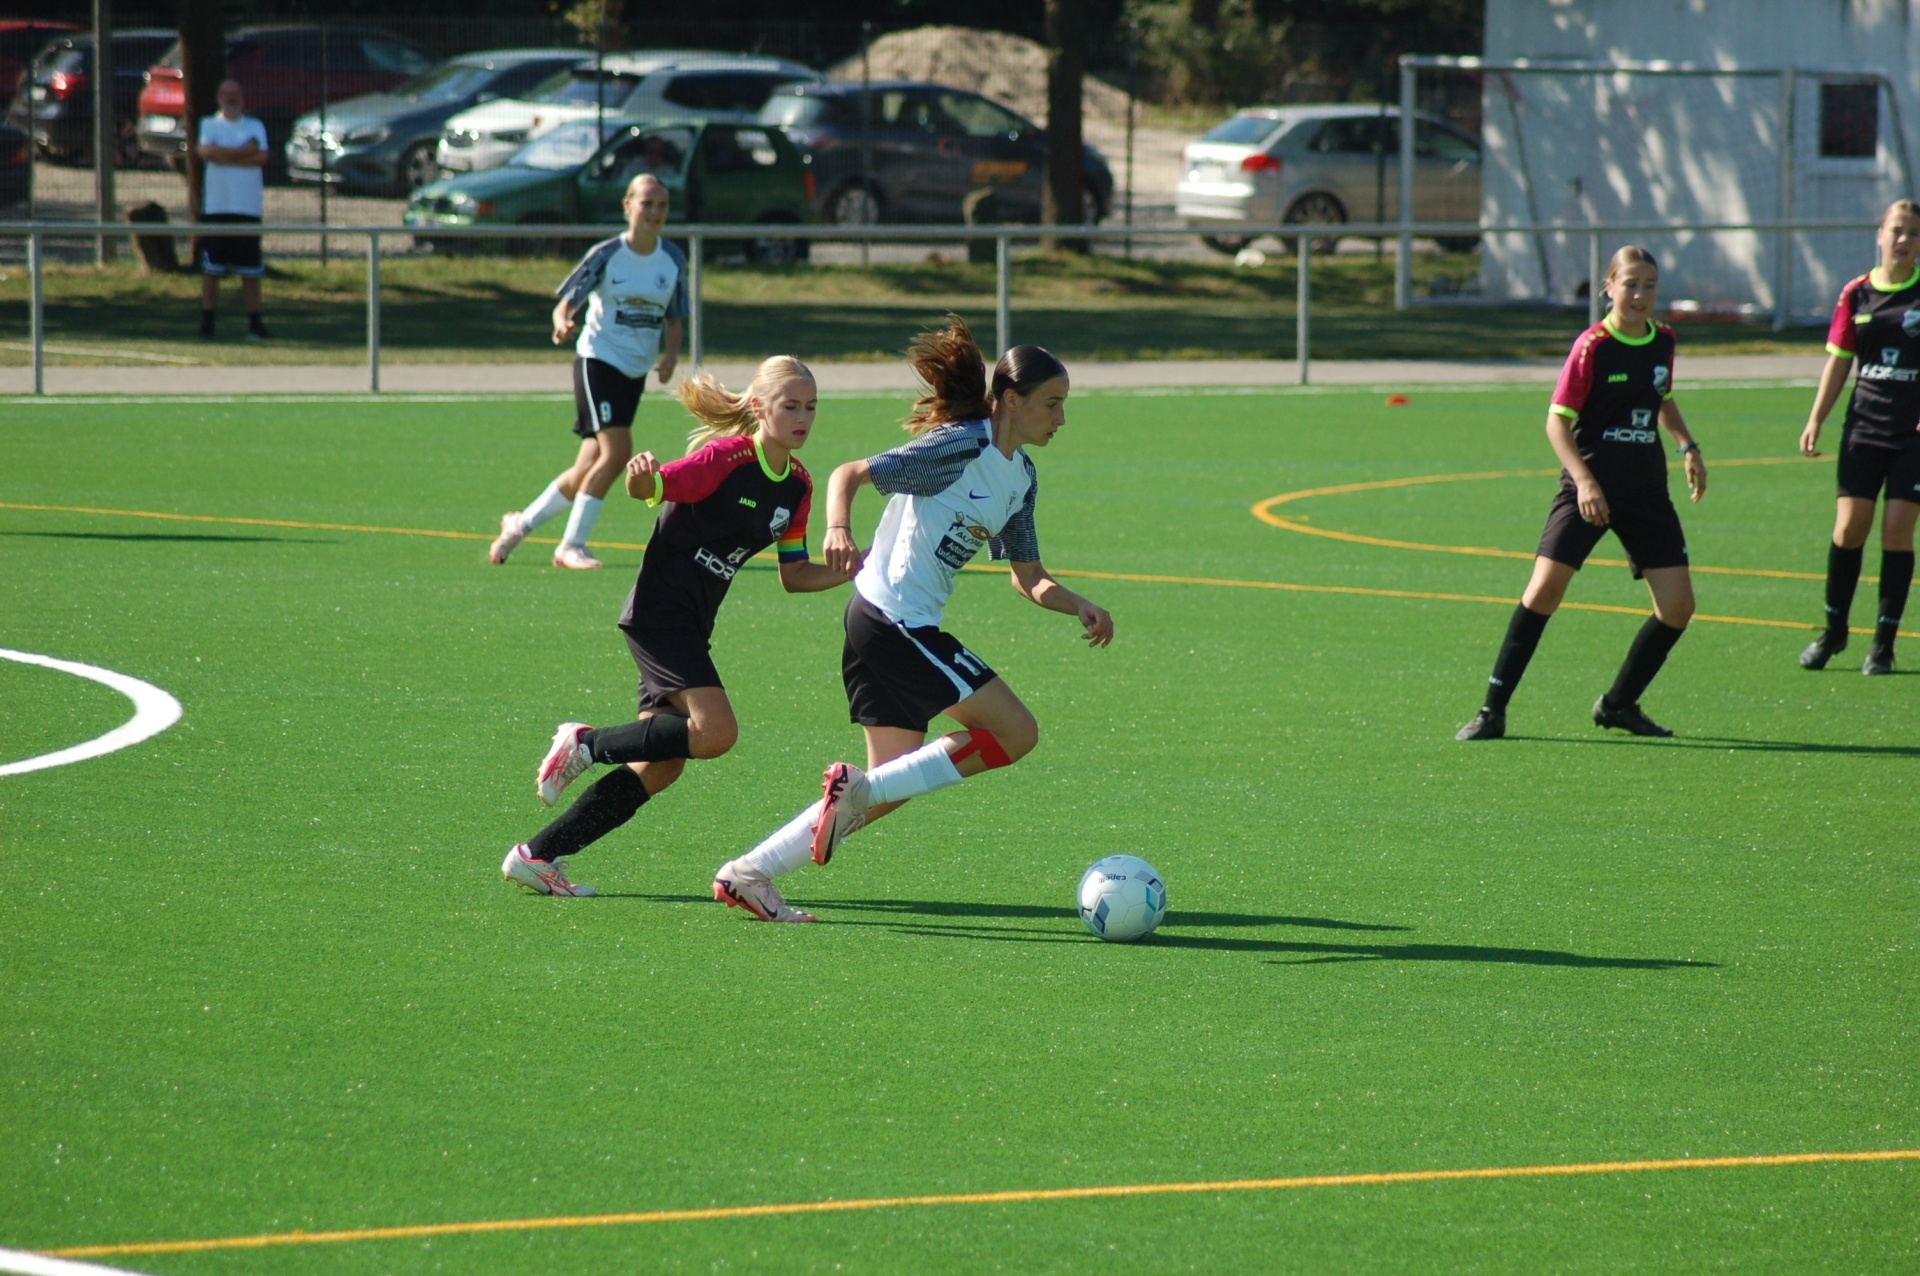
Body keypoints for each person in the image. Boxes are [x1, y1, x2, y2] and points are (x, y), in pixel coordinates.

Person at [712, 319, 1114, 923]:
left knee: (887, 787)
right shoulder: (960, 447)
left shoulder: (1021, 478)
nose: (1061, 418)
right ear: (1011, 401)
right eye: (1052, 403)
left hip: (888, 622)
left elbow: (1027, 575)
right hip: (893, 619)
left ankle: (749, 872)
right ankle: (846, 795)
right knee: (1016, 733)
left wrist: (1076, 602)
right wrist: (838, 529)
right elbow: (850, 473)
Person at [501, 357, 853, 896]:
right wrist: (642, 479)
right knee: (716, 733)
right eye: (790, 406)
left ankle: (537, 856)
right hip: (660, 612)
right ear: (759, 407)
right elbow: (653, 487)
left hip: (690, 622)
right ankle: (585, 743)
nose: (803, 417)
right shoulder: (725, 458)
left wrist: (860, 566)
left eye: (811, 407)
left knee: (661, 766)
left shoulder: (798, 487)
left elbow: (796, 574)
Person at [1456, 246, 1707, 742]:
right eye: (1630, 284)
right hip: (1588, 488)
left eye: (1650, 285)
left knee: (1678, 607)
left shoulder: (1664, 340)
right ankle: (1491, 711)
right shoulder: (1592, 346)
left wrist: (1687, 446)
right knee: (1543, 592)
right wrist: (1586, 481)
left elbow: (1662, 396)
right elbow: (1557, 422)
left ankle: (1618, 705)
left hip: (1645, 492)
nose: (1640, 295)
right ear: (1608, 287)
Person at [488, 173, 686, 571]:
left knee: (587, 466)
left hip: (635, 371)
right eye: (646, 203)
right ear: (627, 206)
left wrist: (670, 357)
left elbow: (674, 316)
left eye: (662, 205)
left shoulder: (673, 259)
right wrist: (561, 323)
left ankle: (519, 524)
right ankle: (571, 546)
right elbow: (566, 302)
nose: (655, 212)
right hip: (598, 359)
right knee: (618, 453)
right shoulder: (607, 254)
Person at [1796, 199, 1920, 675]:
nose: (1904, 239)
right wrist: (1816, 419)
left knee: (1897, 530)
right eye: (1897, 230)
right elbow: (1839, 361)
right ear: (1879, 234)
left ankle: (1883, 646)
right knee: (1850, 528)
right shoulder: (1856, 293)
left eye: (1913, 232)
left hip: (1912, 436)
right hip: (1864, 427)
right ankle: (1834, 632)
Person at [196, 80, 269, 342]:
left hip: (247, 208)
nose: (231, 99)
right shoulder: (209, 124)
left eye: (236, 94)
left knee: (250, 271)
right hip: (217, 208)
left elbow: (261, 157)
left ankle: (255, 324)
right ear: (218, 98)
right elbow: (205, 151)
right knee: (212, 269)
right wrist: (243, 152)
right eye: (226, 94)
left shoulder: (255, 125)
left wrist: (223, 155)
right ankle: (207, 323)